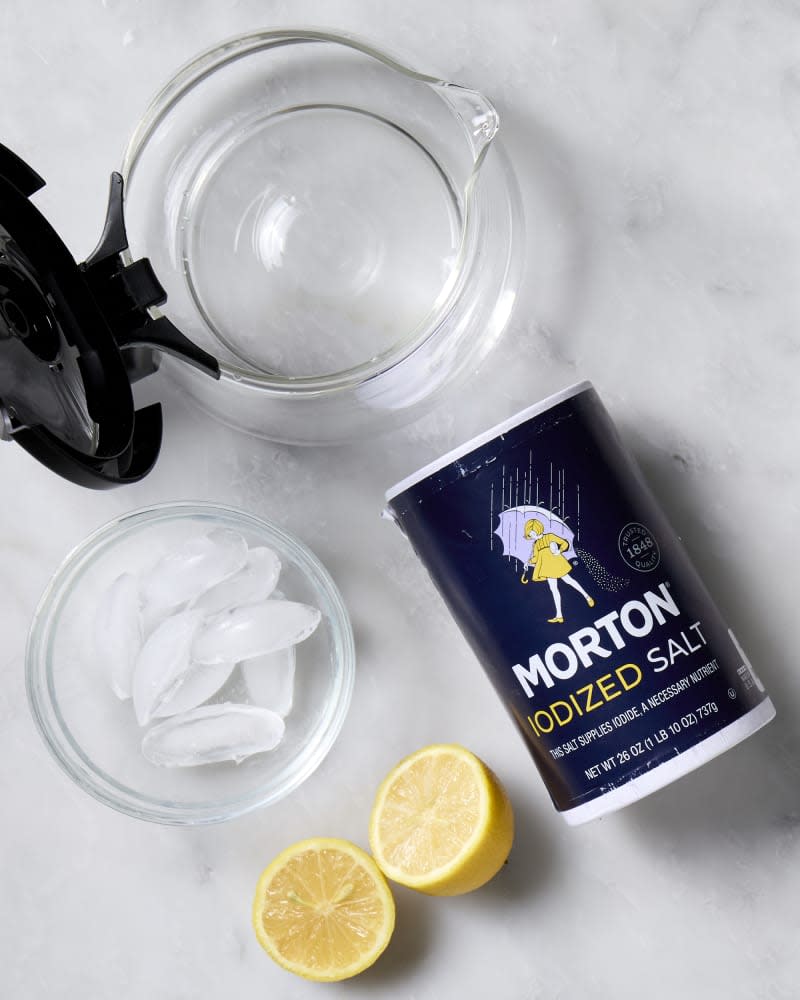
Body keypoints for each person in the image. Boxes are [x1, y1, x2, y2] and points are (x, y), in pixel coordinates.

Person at [522, 518, 595, 623]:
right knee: (554, 590)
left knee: (569, 580)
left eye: (532, 532)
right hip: (547, 568)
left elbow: (565, 543)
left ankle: (587, 597)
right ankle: (559, 615)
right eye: (529, 534)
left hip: (557, 563)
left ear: (537, 529)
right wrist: (528, 563)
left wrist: (559, 551)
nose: (531, 535)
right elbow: (536, 559)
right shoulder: (536, 544)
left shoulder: (550, 536)